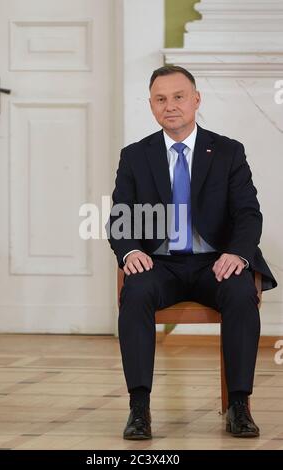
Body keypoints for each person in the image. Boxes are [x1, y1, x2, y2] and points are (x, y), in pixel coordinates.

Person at [106, 65, 277, 440]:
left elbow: (248, 213)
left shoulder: (228, 151)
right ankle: (139, 407)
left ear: (196, 99)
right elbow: (120, 218)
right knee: (134, 292)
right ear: (151, 106)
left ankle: (238, 405)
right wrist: (131, 250)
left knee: (240, 291)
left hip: (214, 262)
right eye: (160, 99)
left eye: (178, 96)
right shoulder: (135, 156)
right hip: (159, 263)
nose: (171, 106)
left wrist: (238, 254)